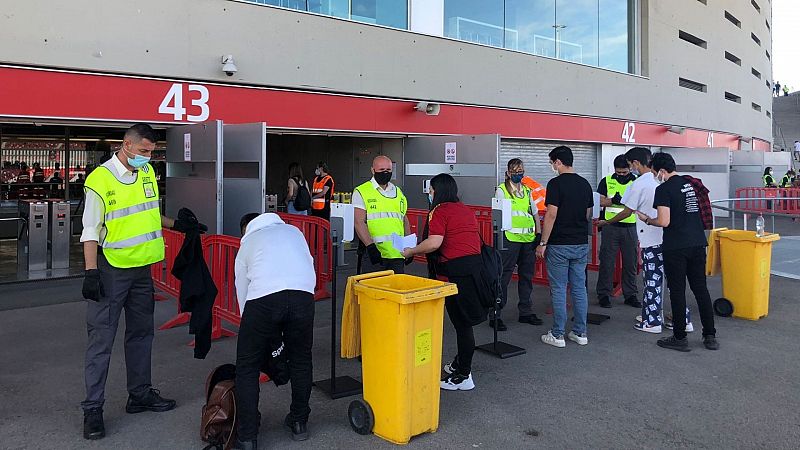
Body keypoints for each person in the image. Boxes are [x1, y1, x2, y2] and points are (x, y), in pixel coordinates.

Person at [79, 123, 205, 440]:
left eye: (152, 152)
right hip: (111, 269)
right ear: (127, 145)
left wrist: (179, 224)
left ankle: (139, 394)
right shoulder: (101, 179)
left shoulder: (146, 173)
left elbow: (149, 214)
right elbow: (90, 230)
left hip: (141, 271)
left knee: (141, 335)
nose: (148, 157)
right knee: (101, 341)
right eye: (144, 151)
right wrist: (91, 271)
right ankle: (92, 409)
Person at [233, 212, 316, 449]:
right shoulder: (294, 232)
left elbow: (243, 291)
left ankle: (247, 437)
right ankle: (299, 421)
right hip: (302, 295)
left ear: (245, 229)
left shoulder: (248, 241)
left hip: (263, 299)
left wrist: (249, 330)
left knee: (247, 368)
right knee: (301, 359)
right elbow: (308, 265)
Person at [402, 174, 487, 391]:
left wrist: (411, 250)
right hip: (474, 270)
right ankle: (460, 363)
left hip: (454, 273)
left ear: (437, 191)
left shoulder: (440, 211)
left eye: (430, 190)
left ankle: (463, 375)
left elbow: (434, 243)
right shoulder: (464, 209)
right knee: (464, 321)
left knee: (462, 324)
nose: (429, 194)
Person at [599, 147, 692, 333]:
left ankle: (652, 321)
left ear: (634, 163)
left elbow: (627, 210)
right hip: (673, 239)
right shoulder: (666, 181)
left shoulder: (639, 184)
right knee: (674, 282)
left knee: (652, 281)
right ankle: (682, 319)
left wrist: (606, 221)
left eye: (629, 165)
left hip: (651, 239)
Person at [636, 152, 718, 352]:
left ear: (662, 171)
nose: (656, 176)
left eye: (656, 172)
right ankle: (710, 336)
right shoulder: (690, 184)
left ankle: (680, 337)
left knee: (678, 291)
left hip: (676, 247)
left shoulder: (664, 189)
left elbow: (664, 221)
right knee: (701, 290)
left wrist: (647, 219)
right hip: (698, 243)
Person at [537, 146, 594, 348]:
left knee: (559, 288)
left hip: (560, 244)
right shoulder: (585, 184)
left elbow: (551, 215)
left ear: (558, 162)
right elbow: (588, 214)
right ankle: (580, 332)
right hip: (580, 243)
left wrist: (543, 243)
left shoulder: (555, 184)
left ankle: (558, 334)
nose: (552, 166)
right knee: (579, 288)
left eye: (552, 162)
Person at [492, 159, 542, 332]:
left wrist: (539, 234)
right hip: (509, 239)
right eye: (515, 170)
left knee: (527, 277)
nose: (518, 173)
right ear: (508, 172)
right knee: (503, 277)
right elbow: (497, 217)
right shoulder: (501, 190)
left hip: (527, 240)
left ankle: (525, 312)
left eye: (520, 170)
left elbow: (535, 214)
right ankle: (496, 314)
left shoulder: (527, 190)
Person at [353, 155, 411, 274]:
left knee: (396, 291)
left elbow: (404, 220)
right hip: (374, 254)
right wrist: (371, 247)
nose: (385, 173)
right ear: (372, 170)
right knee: (374, 290)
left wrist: (409, 247)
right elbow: (358, 222)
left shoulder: (398, 192)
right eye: (381, 170)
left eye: (388, 170)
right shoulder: (362, 191)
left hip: (397, 255)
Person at [596, 154, 639, 309]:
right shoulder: (607, 181)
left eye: (624, 172)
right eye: (618, 172)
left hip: (630, 227)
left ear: (629, 169)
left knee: (630, 263)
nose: (621, 175)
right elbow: (599, 201)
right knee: (607, 262)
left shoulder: (636, 182)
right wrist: (613, 200)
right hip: (610, 228)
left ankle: (630, 294)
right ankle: (604, 295)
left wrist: (624, 201)